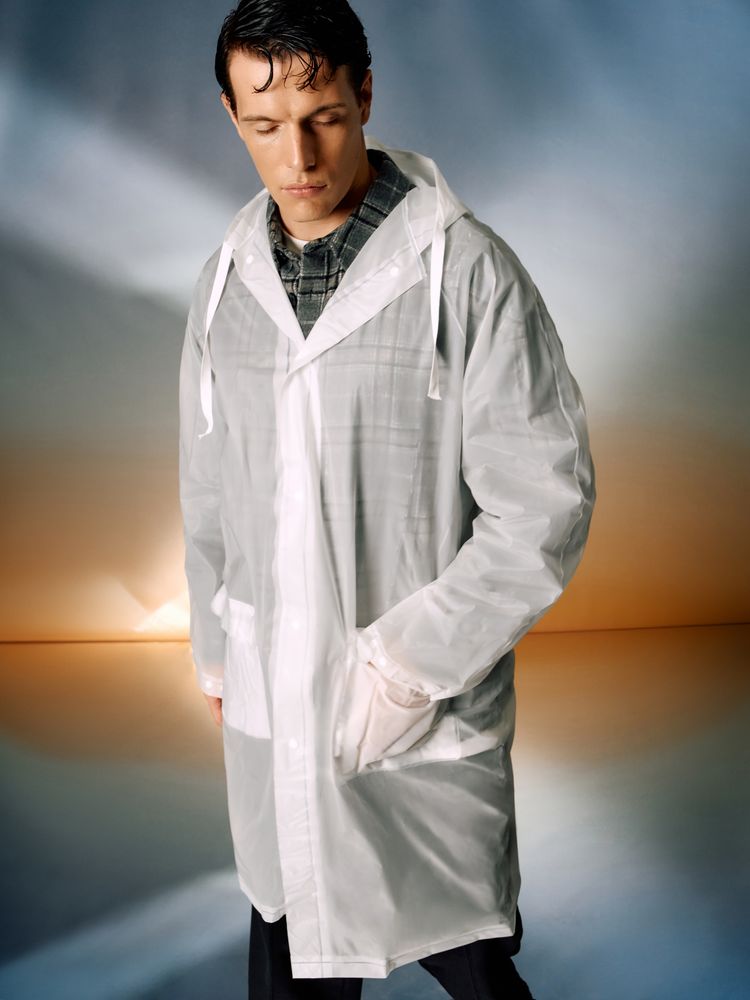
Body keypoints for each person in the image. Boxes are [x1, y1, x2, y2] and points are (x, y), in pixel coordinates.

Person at [178, 1, 596, 996]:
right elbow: (208, 478)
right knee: (291, 934)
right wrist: (219, 642)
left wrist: (407, 668)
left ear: (364, 94)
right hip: (279, 704)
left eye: (322, 116)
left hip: (417, 711)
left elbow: (543, 502)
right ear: (231, 115)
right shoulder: (226, 283)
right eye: (264, 125)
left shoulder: (468, 271)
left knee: (466, 952)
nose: (297, 158)